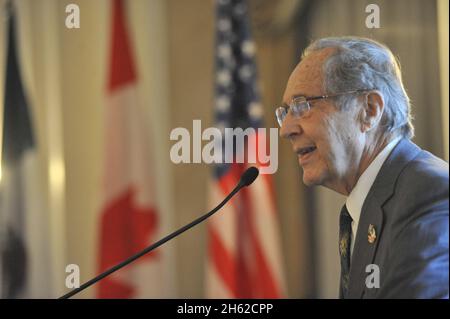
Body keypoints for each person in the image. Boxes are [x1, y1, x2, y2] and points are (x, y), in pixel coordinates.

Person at [277, 36, 449, 298]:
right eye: (285, 112)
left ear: (369, 110)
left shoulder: (430, 194)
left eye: (303, 106)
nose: (286, 129)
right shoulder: (368, 203)